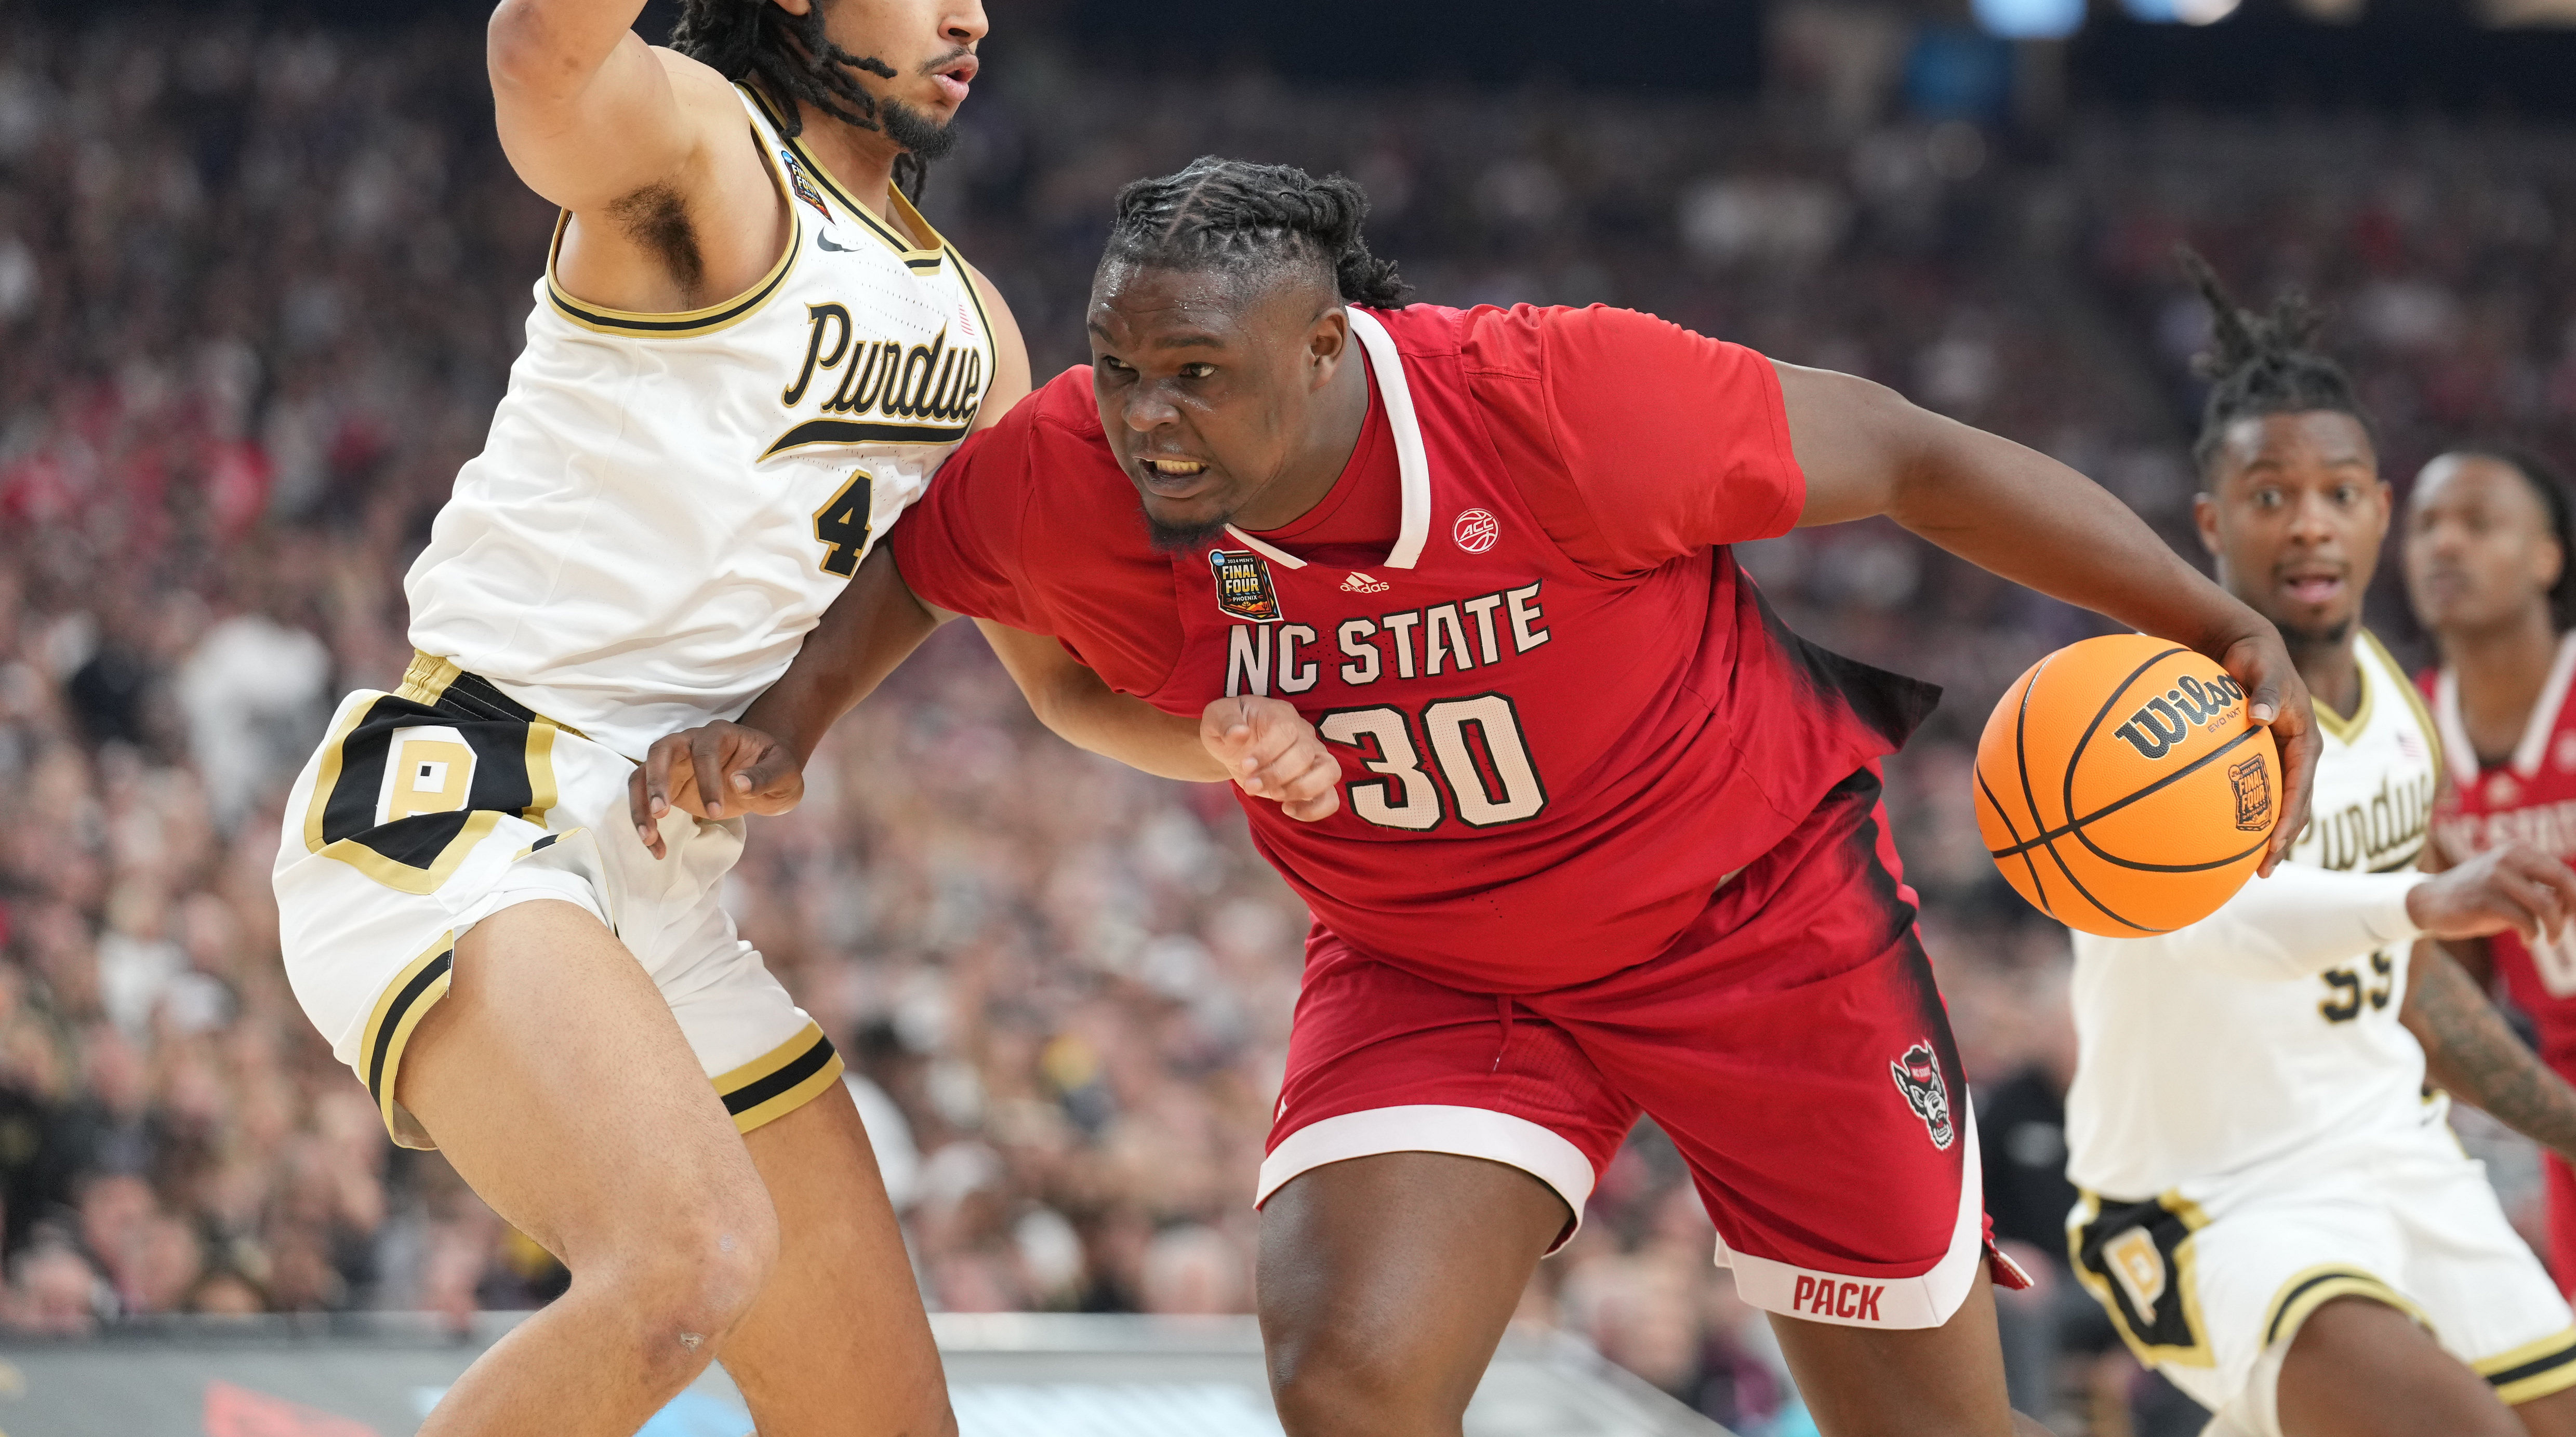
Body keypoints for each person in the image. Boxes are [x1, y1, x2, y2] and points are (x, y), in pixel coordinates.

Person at [636, 158, 2326, 1437]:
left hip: (1761, 933)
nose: (1144, 415)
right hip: (1435, 959)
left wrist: (2201, 611)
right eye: (1119, 364)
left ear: (1324, 345)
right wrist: (782, 720)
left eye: (1196, 375)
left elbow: (1907, 454)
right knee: (1347, 1372)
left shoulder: (1559, 400)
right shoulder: (1074, 461)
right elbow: (926, 567)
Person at [269, 0, 1331, 1437]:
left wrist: (1227, 743)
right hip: (469, 808)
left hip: (663, 885)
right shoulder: (697, 161)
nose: (968, 7)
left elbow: (1056, 681)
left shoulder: (978, 321)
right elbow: (536, 43)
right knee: (682, 1259)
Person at [2062, 256, 2576, 1437]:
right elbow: (2223, 929)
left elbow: (2406, 984)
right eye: (2269, 494)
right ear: (2210, 522)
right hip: (2216, 1199)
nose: (2309, 520)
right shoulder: (2151, 718)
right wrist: (2419, 903)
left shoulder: (2398, 705)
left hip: (2396, 1159)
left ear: (2377, 514)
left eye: (2340, 492)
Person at [2406, 447, 2576, 1294]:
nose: (2444, 545)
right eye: (2426, 526)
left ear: (2546, 556)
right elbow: (2450, 978)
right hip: (2555, 1091)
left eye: (2477, 524)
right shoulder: (2407, 732)